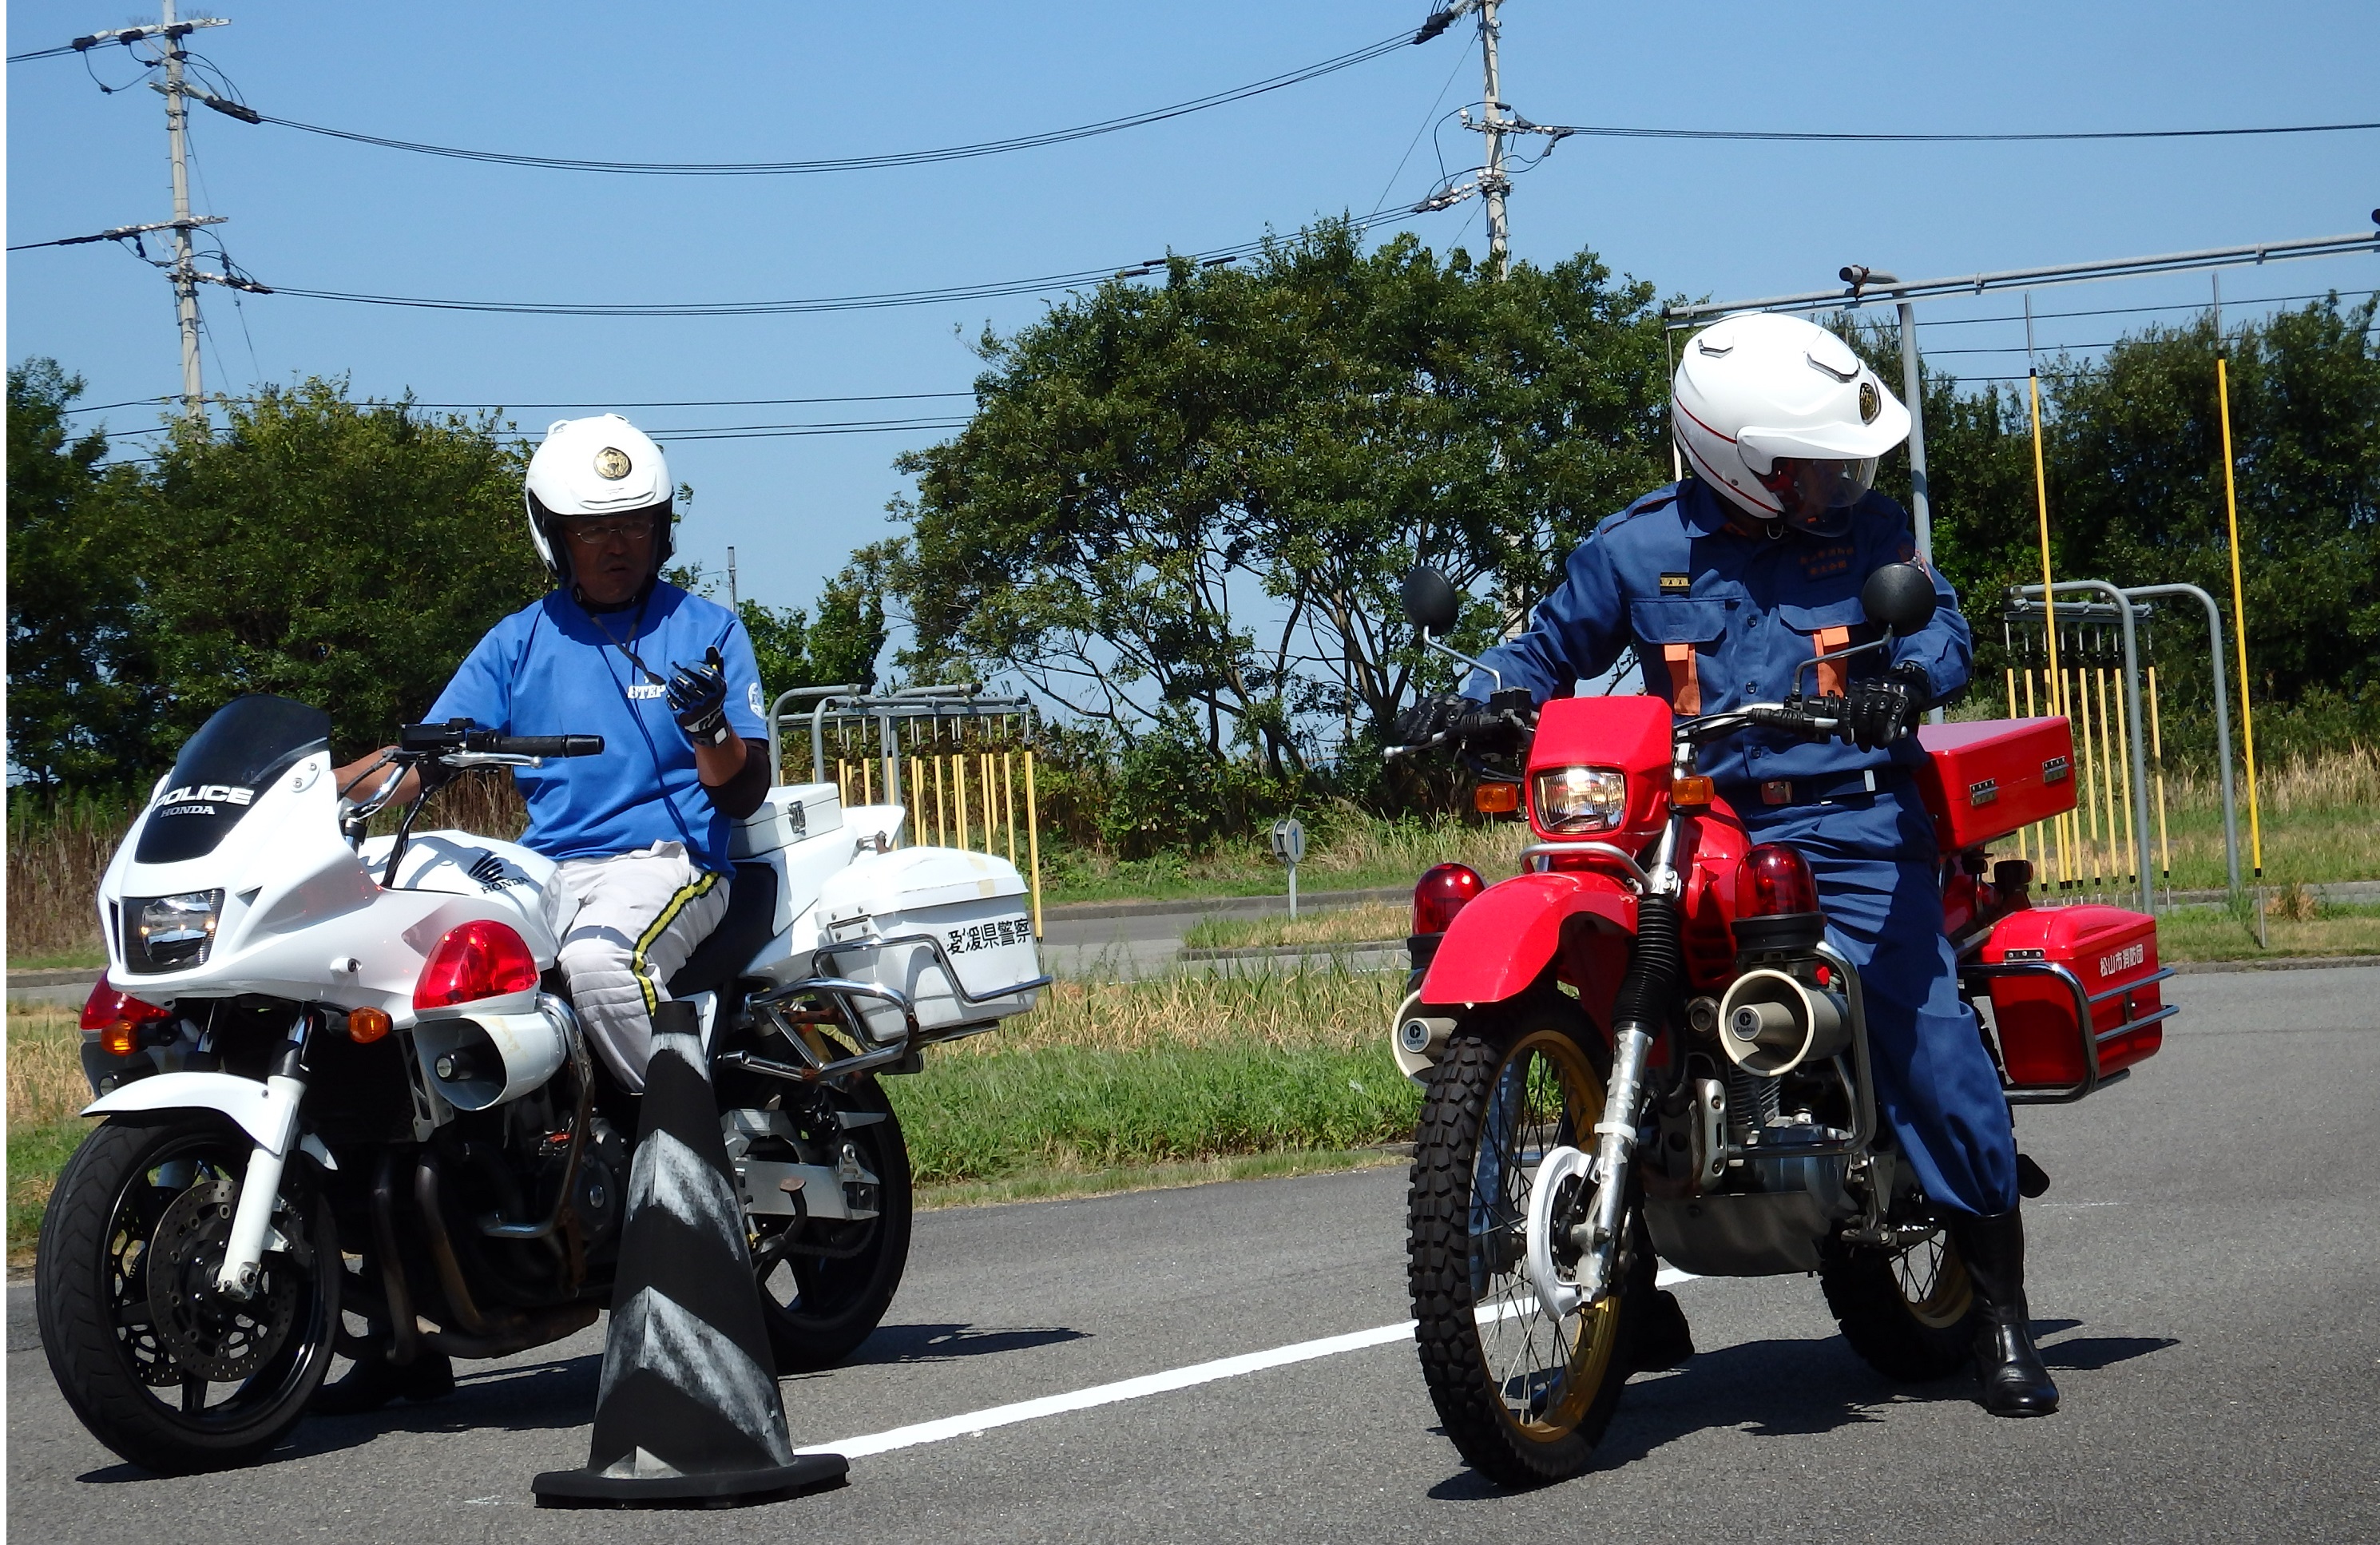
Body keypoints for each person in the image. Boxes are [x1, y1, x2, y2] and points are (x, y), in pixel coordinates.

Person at [1400, 310, 2057, 1417]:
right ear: (1735, 460)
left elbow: (1939, 626)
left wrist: (1913, 679)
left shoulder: (1868, 531)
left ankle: (1999, 1310)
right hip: (1695, 817)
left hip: (1852, 819)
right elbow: (1542, 645)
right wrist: (1470, 701)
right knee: (1619, 989)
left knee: (1920, 1032)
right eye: (1809, 468)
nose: (1832, 484)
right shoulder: (1640, 546)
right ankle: (1630, 1264)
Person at [336, 414, 772, 1096]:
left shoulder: (707, 629)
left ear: (661, 531)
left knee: (600, 961)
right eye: (593, 528)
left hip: (669, 864)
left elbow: (743, 795)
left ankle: (687, 1151)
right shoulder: (517, 642)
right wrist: (303, 789)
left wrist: (710, 727)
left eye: (636, 523)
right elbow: (423, 754)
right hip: (545, 870)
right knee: (431, 954)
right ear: (555, 535)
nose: (618, 544)